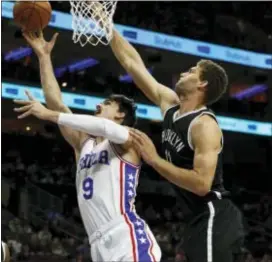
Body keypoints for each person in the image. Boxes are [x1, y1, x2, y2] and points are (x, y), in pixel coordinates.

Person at [19, 31, 161, 262]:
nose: (97, 105)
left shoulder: (130, 140)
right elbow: (56, 102)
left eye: (106, 104)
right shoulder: (84, 143)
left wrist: (49, 114)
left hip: (127, 237)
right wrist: (44, 57)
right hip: (97, 244)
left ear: (120, 115)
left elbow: (103, 128)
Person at [109, 29, 244, 262]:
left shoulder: (204, 125)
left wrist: (154, 159)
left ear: (202, 84)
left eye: (192, 71)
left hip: (214, 214)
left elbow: (202, 184)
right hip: (194, 218)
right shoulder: (170, 105)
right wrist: (108, 27)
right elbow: (132, 63)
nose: (184, 72)